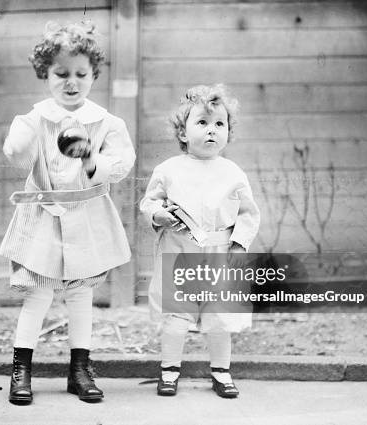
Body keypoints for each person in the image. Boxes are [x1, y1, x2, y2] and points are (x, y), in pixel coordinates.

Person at [0, 20, 135, 405]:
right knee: (38, 295)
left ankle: (79, 370)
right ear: (46, 74)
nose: (71, 82)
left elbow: (121, 165)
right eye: (61, 74)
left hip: (87, 215)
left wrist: (93, 156)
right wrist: (21, 139)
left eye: (81, 74)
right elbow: (16, 153)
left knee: (80, 296)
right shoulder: (35, 118)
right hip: (42, 215)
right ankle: (21, 370)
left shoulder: (107, 123)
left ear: (93, 75)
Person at [140, 84, 260, 398]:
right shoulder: (168, 170)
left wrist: (239, 244)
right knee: (175, 316)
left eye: (220, 124)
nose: (211, 131)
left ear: (228, 133)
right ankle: (169, 371)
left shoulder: (233, 173)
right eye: (202, 123)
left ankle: (221, 371)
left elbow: (248, 213)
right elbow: (150, 203)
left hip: (220, 253)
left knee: (220, 317)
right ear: (183, 132)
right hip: (179, 250)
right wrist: (158, 216)